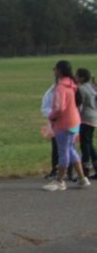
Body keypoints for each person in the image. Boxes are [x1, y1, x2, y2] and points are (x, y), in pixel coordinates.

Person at [43, 61, 90, 191]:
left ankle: (59, 180)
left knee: (63, 151)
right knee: (70, 149)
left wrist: (51, 117)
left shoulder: (61, 87)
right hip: (75, 121)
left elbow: (59, 108)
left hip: (64, 123)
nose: (54, 71)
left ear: (59, 71)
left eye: (55, 69)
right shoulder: (72, 84)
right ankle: (82, 178)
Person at [75, 68, 97, 179]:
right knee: (89, 143)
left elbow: (80, 105)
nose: (75, 77)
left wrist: (76, 118)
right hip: (93, 117)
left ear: (82, 78)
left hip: (85, 118)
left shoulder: (81, 89)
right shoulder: (91, 86)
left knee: (84, 145)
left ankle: (85, 172)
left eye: (77, 75)